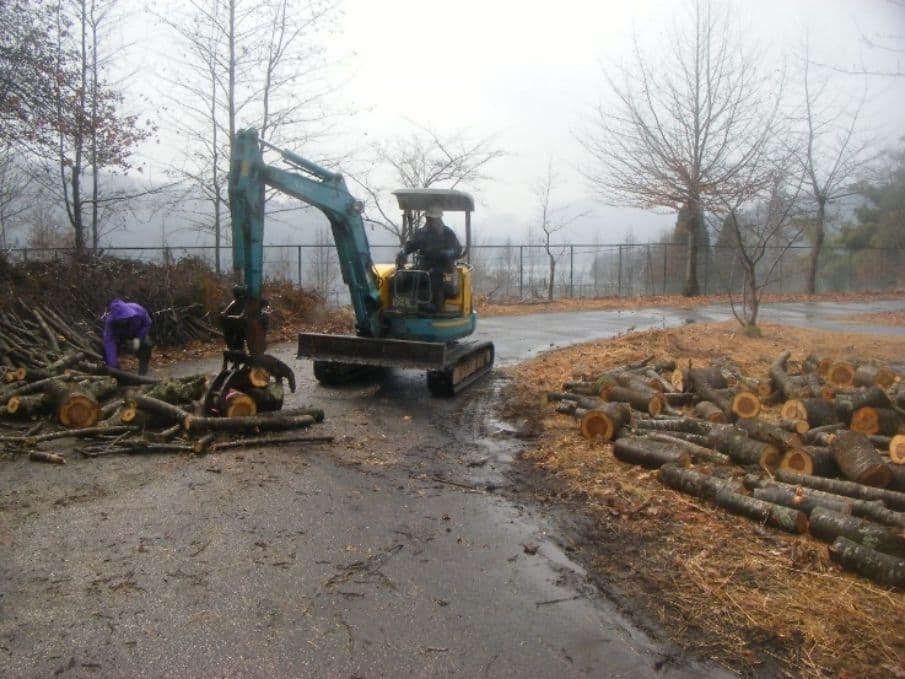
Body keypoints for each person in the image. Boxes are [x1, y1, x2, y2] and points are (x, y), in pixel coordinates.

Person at [395, 207, 462, 311]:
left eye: (433, 219)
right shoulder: (421, 233)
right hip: (424, 265)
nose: (430, 221)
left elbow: (457, 249)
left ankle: (435, 307)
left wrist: (448, 253)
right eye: (429, 218)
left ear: (439, 219)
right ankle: (407, 304)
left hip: (442, 267)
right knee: (405, 276)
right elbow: (412, 245)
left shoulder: (447, 233)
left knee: (434, 278)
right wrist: (404, 251)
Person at [102, 298, 153, 375]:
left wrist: (138, 338)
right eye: (121, 319)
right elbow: (109, 341)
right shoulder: (110, 323)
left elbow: (147, 323)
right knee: (106, 352)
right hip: (120, 337)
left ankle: (143, 373)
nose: (123, 320)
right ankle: (117, 374)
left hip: (137, 334)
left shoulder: (138, 310)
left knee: (147, 344)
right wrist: (113, 363)